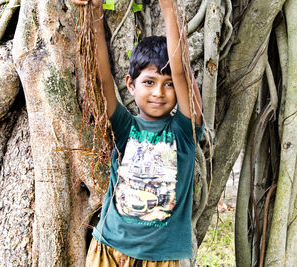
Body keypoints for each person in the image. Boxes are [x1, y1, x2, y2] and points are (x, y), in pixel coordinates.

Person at [72, 0, 203, 265]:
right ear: (131, 85)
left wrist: (170, 7)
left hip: (161, 258)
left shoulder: (184, 133)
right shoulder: (124, 128)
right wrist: (93, 12)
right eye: (149, 82)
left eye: (169, 85)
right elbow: (101, 79)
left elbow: (181, 72)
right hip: (108, 250)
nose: (159, 92)